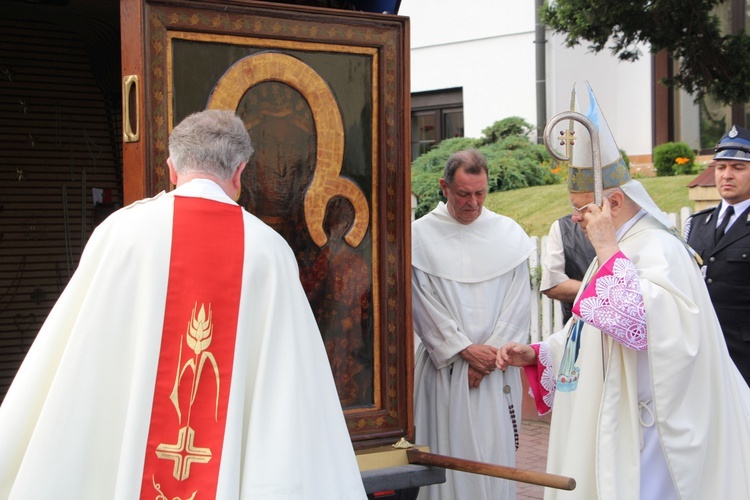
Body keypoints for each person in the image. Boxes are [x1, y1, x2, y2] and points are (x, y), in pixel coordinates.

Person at [0, 109, 367, 499]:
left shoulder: (120, 233)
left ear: (172, 168)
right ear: (240, 172)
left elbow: (80, 356)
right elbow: (289, 383)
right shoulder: (269, 252)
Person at [497, 83, 750, 500]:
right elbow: (589, 331)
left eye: (581, 209)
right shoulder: (613, 253)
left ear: (613, 203)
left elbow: (650, 327)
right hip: (610, 415)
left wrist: (607, 248)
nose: (575, 219)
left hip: (648, 435)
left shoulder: (658, 249)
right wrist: (545, 352)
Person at [411, 149, 534, 500]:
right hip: (446, 371)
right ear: (444, 187)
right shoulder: (419, 237)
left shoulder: (508, 234)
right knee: (447, 457)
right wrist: (464, 350)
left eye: (480, 193)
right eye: (463, 194)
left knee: (493, 452)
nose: (473, 203)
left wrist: (489, 359)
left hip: (495, 372)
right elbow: (422, 304)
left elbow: (517, 305)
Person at [684, 125, 750, 385]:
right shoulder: (697, 224)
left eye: (738, 168)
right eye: (721, 167)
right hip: (702, 350)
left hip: (744, 354)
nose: (727, 175)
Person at [540, 214, 595, 324]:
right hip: (577, 329)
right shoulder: (563, 227)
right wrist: (602, 290)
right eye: (575, 207)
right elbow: (552, 286)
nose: (576, 217)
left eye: (583, 208)